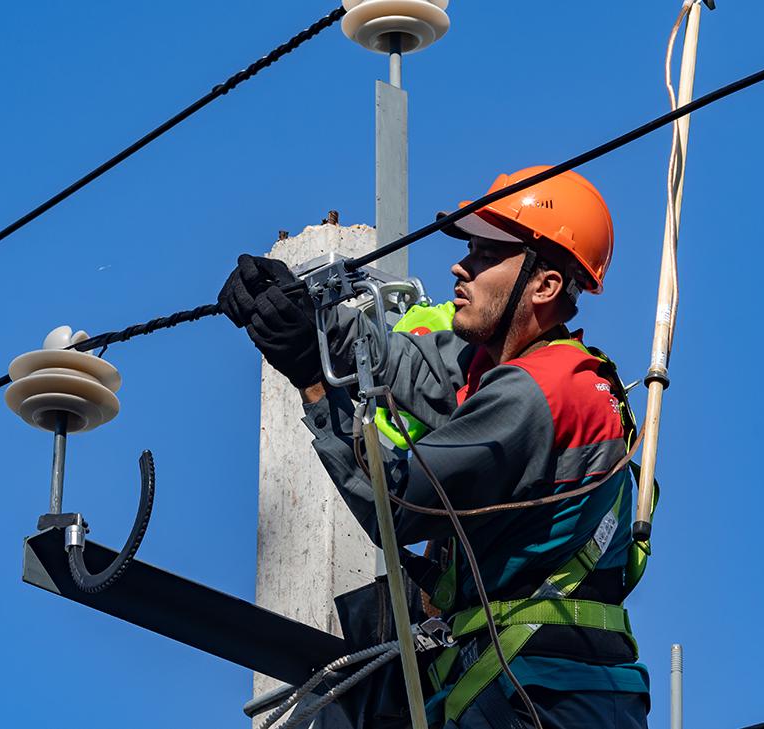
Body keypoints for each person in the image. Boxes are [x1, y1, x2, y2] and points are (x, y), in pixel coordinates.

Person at [219, 166, 649, 729]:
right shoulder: (513, 367)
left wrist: (312, 379)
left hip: (542, 698)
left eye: (485, 255)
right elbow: (406, 363)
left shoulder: (536, 393)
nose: (459, 266)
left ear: (544, 286)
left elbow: (399, 505)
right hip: (530, 683)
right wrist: (305, 314)